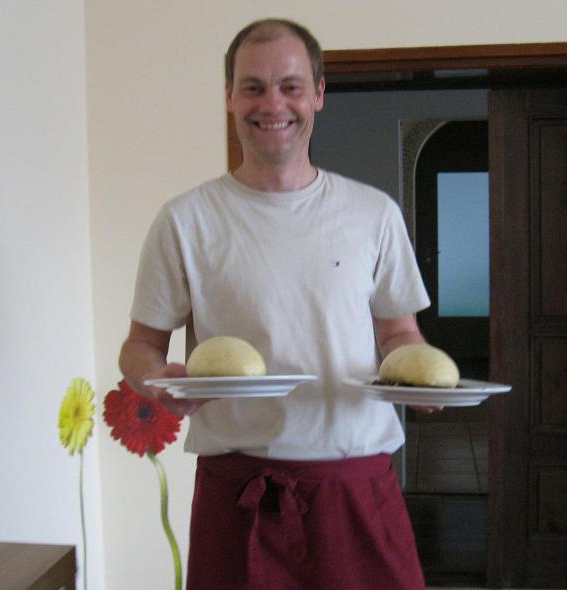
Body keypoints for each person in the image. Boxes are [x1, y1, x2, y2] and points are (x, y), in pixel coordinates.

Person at [119, 18, 434, 590]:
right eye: (253, 87)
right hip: (240, 491)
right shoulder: (186, 220)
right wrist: (156, 381)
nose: (272, 104)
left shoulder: (373, 214)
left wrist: (420, 380)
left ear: (318, 93)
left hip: (356, 486)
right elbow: (140, 346)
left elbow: (398, 333)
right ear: (228, 96)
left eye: (291, 86)